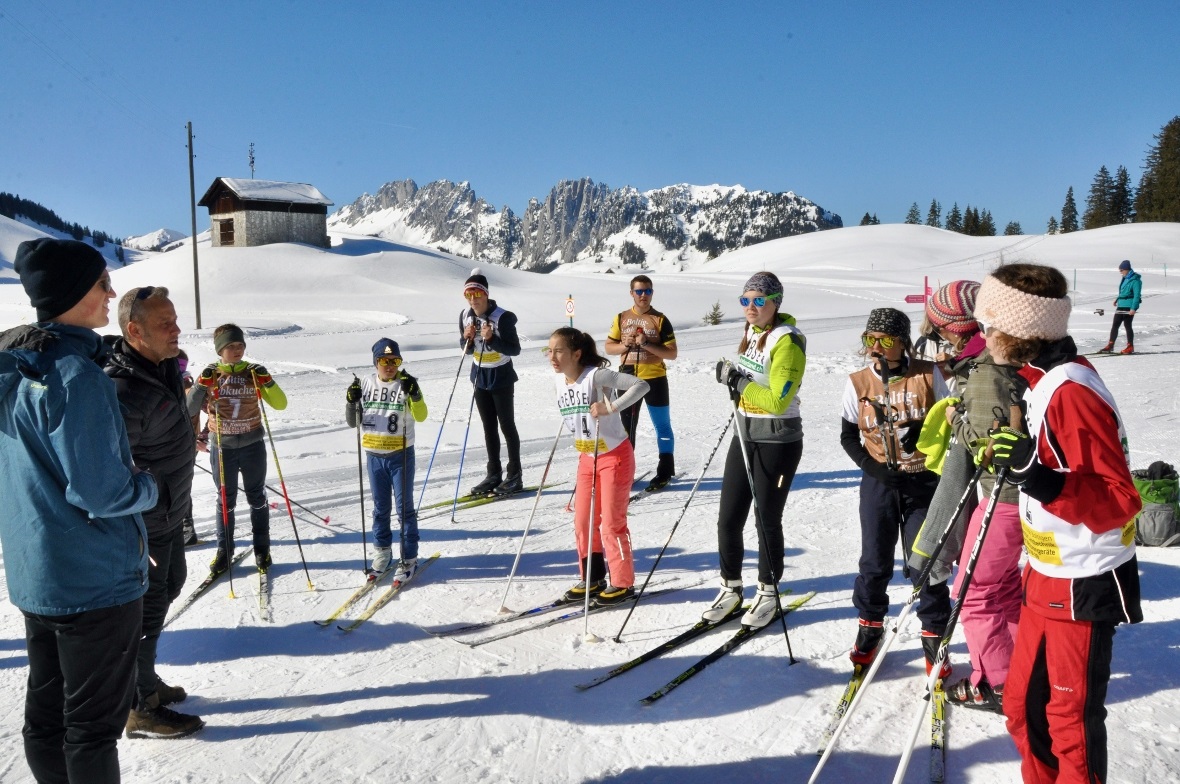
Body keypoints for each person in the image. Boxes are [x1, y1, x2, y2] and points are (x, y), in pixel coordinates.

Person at [974, 262, 1142, 784]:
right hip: (1045, 576)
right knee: (1024, 710)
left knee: (1069, 723)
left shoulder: (1071, 391)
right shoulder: (1037, 381)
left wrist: (1037, 477)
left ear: (1021, 332)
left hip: (1083, 582)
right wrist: (1018, 460)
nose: (982, 334)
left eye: (989, 323)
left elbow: (1119, 499)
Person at [0, 238, 158, 782]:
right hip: (95, 584)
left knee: (46, 720)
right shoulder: (76, 376)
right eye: (100, 284)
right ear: (71, 292)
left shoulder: (14, 368)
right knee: (91, 732)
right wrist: (148, 487)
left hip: (38, 575)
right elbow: (102, 493)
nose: (111, 292)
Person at [104, 287, 205, 739]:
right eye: (165, 323)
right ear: (134, 331)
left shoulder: (161, 367)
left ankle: (146, 680)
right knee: (146, 609)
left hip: (170, 514)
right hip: (144, 525)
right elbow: (110, 468)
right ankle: (138, 706)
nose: (177, 329)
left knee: (170, 589)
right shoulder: (123, 389)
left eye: (175, 319)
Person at [927, 282, 1023, 713]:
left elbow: (988, 448)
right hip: (1016, 498)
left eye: (939, 328)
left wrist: (954, 417)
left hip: (1001, 498)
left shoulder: (984, 373)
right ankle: (1022, 668)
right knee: (1002, 586)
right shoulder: (994, 358)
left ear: (954, 328)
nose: (937, 337)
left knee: (975, 591)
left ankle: (998, 683)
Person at [840, 307, 952, 675]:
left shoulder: (928, 374)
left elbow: (952, 423)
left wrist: (925, 431)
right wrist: (872, 468)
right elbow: (847, 436)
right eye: (869, 339)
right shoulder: (857, 382)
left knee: (926, 561)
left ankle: (934, 631)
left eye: (885, 340)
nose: (875, 346)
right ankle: (869, 627)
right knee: (874, 559)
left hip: (922, 480)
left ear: (902, 342)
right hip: (879, 482)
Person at [706, 271, 807, 629]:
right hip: (744, 431)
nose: (751, 306)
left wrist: (737, 381)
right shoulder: (753, 332)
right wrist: (732, 374)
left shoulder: (788, 341)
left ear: (775, 302)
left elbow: (779, 400)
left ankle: (768, 592)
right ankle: (731, 588)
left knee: (766, 520)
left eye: (759, 300)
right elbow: (751, 379)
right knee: (728, 518)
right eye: (745, 300)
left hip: (777, 439)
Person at [549, 327, 649, 606]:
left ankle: (622, 583)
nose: (552, 357)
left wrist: (611, 406)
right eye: (549, 350)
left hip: (614, 456)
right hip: (587, 457)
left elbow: (642, 385)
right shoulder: (560, 381)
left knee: (611, 525)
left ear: (576, 354)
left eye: (559, 351)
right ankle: (592, 578)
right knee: (583, 522)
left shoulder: (596, 375)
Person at [186, 323, 287, 575]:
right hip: (223, 447)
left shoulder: (252, 373)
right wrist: (200, 385)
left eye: (240, 345)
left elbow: (280, 404)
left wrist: (268, 382)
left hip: (252, 444)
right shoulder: (212, 373)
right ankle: (224, 551)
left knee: (257, 497)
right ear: (220, 349)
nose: (237, 349)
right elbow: (187, 409)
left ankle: (262, 549)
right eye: (230, 346)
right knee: (225, 500)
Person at [345, 338, 428, 581]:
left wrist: (416, 394)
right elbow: (353, 422)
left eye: (395, 361)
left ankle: (409, 557)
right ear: (376, 362)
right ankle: (382, 553)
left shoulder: (406, 384)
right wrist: (351, 401)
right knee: (380, 509)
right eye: (384, 361)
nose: (389, 366)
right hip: (373, 455)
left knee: (405, 510)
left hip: (400, 455)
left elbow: (421, 416)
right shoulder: (366, 383)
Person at [605, 274, 678, 491]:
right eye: (639, 291)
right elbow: (609, 347)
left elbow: (672, 353)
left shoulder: (661, 319)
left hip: (655, 377)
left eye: (647, 291)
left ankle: (665, 471)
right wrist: (624, 345)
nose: (643, 295)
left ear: (652, 293)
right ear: (632, 293)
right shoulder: (621, 317)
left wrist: (646, 344)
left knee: (662, 426)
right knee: (626, 428)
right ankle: (624, 472)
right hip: (627, 378)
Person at [459, 268, 523, 496]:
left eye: (477, 294)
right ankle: (493, 473)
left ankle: (514, 475)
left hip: (501, 375)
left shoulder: (503, 317)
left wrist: (492, 339)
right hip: (479, 376)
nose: (473, 300)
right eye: (468, 295)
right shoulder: (465, 316)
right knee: (488, 427)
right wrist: (465, 339)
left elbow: (515, 349)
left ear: (486, 294)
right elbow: (466, 351)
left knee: (507, 426)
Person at [176, 349, 200, 547]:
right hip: (174, 444)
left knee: (181, 488)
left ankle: (187, 528)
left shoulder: (186, 386)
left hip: (186, 445)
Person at [1098, 259, 1142, 354]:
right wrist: (1117, 299)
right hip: (1121, 305)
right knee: (1115, 325)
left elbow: (1137, 295)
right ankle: (1110, 345)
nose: (1120, 272)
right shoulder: (1125, 277)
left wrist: (1134, 308)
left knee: (1127, 325)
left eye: (1121, 270)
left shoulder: (1136, 281)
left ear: (1127, 269)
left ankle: (1130, 346)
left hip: (1129, 306)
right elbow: (1123, 291)